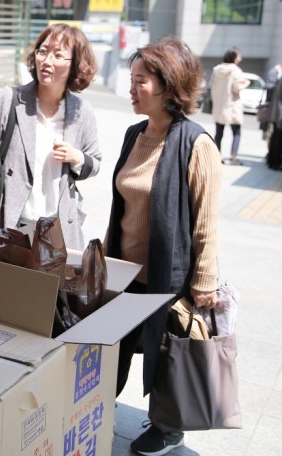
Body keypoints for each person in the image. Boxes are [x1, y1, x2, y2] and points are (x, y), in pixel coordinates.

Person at [105, 37, 220, 456]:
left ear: (170, 86)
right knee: (113, 348)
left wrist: (204, 279)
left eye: (142, 81)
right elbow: (123, 204)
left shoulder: (196, 143)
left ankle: (168, 428)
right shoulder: (134, 134)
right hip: (125, 271)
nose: (132, 88)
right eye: (132, 78)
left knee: (169, 352)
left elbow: (206, 221)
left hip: (167, 276)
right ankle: (98, 403)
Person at [0, 23, 101, 250]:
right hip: (12, 220)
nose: (46, 60)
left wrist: (77, 158)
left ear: (76, 64)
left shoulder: (81, 111)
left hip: (58, 229)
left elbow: (94, 163)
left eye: (58, 55)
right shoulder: (9, 99)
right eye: (42, 51)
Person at [209, 48, 250, 165]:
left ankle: (217, 156)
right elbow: (236, 88)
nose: (240, 59)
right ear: (234, 57)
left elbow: (211, 85)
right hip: (232, 106)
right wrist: (246, 83)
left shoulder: (217, 70)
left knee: (219, 133)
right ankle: (233, 156)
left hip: (219, 106)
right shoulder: (235, 70)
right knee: (236, 132)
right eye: (239, 56)